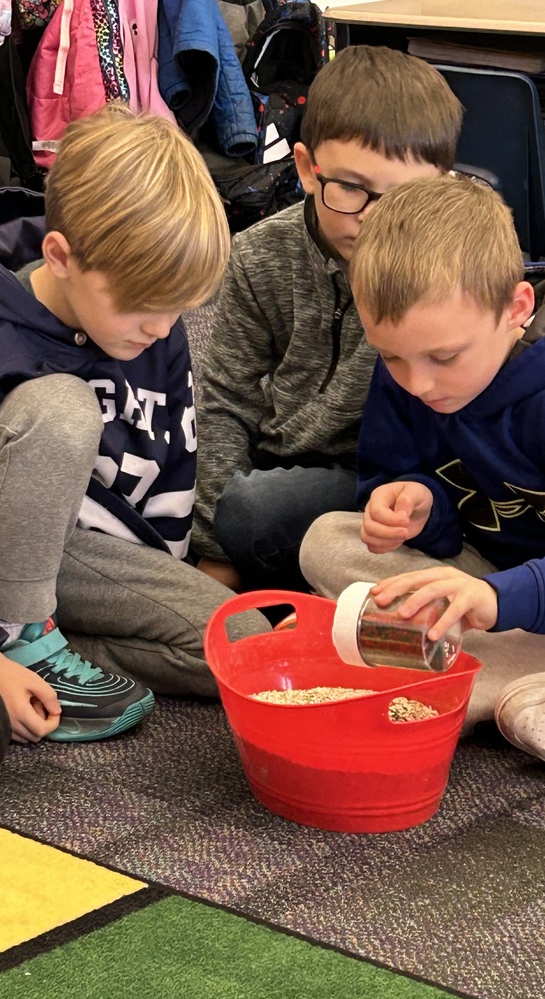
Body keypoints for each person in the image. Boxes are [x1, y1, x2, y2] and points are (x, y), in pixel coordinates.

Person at [299, 173, 545, 815]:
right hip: (498, 574)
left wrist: (498, 597)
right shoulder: (408, 371)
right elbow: (396, 477)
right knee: (328, 540)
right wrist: (416, 506)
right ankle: (521, 669)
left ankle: (447, 685)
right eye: (394, 358)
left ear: (515, 310)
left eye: (444, 357)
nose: (419, 383)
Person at [0, 104, 268, 789]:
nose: (161, 328)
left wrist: (174, 569)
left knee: (250, 647)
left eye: (177, 310)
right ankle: (17, 636)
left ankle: (46, 644)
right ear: (60, 256)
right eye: (142, 308)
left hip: (76, 551)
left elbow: (172, 455)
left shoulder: (150, 319)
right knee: (61, 408)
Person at [191, 45, 463, 594]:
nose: (371, 218)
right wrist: (213, 552)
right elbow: (225, 399)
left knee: (252, 511)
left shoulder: (449, 266)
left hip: (398, 482)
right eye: (350, 188)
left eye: (404, 199)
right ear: (306, 169)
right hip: (283, 466)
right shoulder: (261, 254)